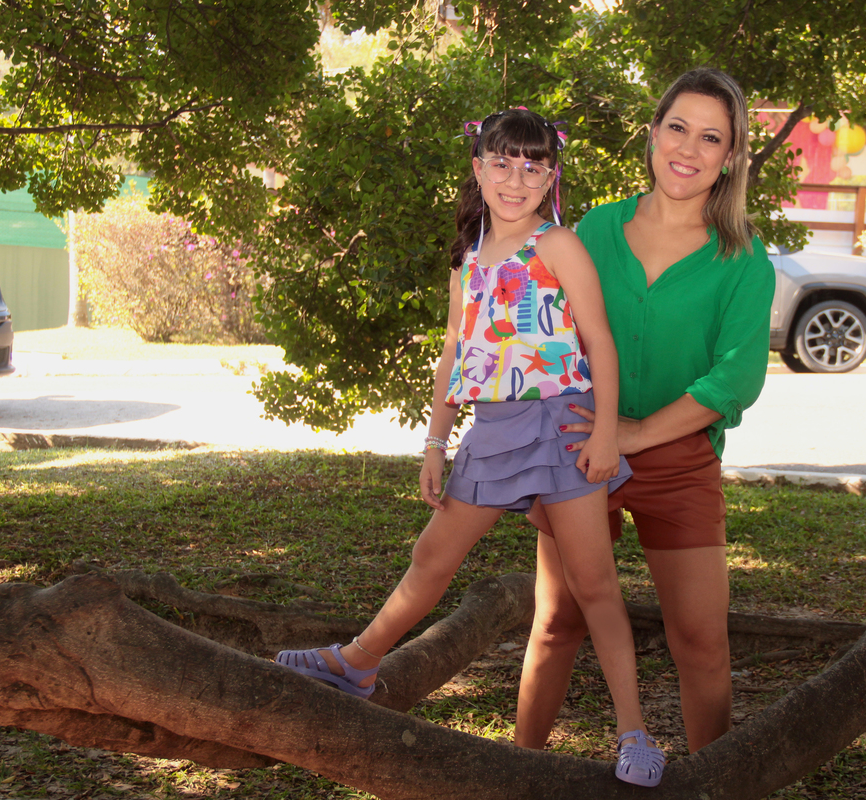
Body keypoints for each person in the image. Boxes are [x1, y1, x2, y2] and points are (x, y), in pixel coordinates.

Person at [275, 107, 666, 787]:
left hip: (561, 425)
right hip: (492, 429)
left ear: (551, 174)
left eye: (533, 165)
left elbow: (599, 338)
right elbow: (457, 352)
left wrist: (605, 429)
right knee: (431, 556)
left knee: (594, 584)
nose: (517, 178)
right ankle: (359, 663)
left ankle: (634, 733)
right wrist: (435, 440)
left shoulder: (558, 245)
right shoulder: (468, 257)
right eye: (503, 162)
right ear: (478, 168)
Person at [513, 69, 775, 755]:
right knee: (555, 624)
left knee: (702, 644)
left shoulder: (742, 258)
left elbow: (736, 378)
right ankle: (514, 775)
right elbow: (541, 329)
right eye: (678, 127)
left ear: (731, 155)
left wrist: (635, 433)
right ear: (653, 134)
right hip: (578, 447)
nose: (689, 148)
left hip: (680, 458)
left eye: (711, 136)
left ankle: (710, 783)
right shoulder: (596, 229)